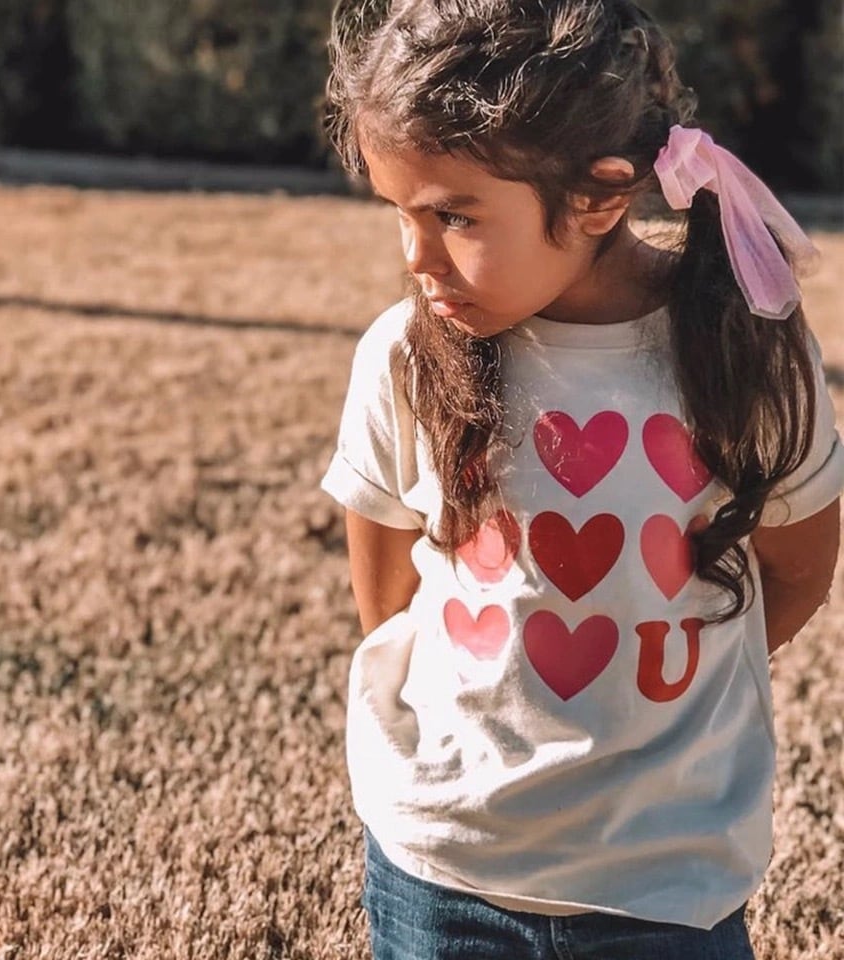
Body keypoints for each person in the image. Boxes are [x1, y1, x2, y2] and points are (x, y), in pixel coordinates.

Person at [319, 2, 843, 958]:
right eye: (400, 213)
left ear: (600, 199)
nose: (416, 258)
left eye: (453, 216)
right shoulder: (404, 355)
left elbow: (800, 565)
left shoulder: (748, 355)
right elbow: (385, 591)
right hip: (443, 871)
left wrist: (665, 690)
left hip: (666, 880)